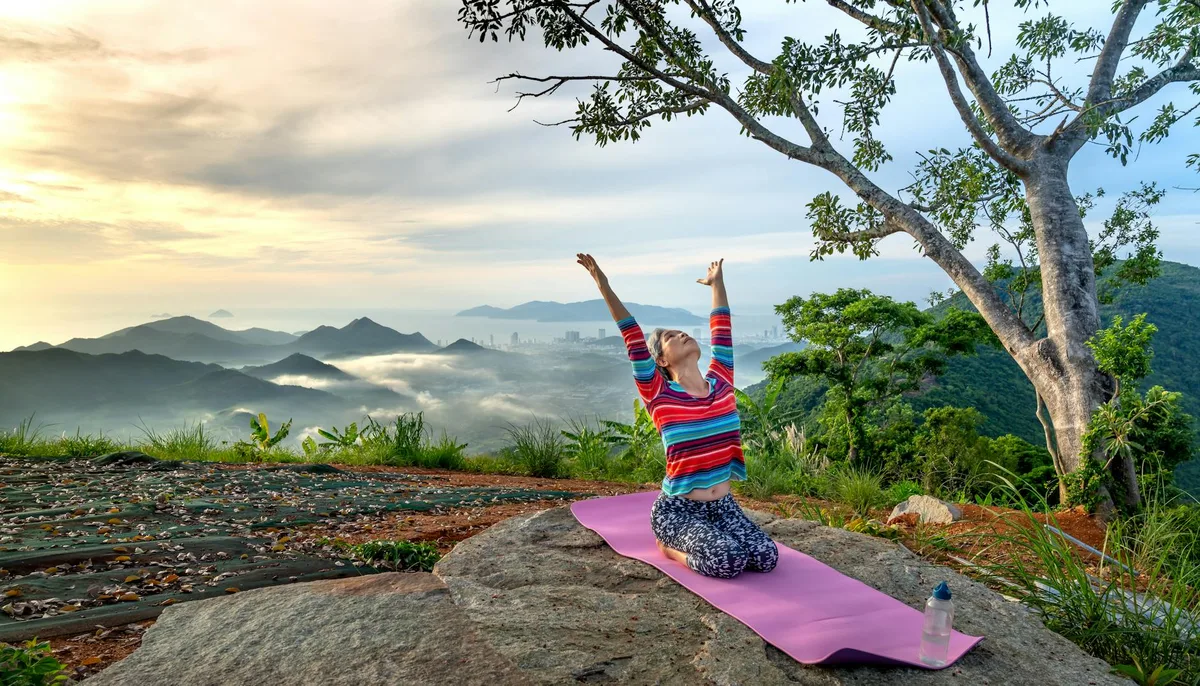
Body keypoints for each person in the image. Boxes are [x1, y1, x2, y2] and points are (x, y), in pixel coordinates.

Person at [577, 253, 779, 579]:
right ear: (661, 361)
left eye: (682, 332)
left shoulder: (721, 381)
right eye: (671, 337)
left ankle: (710, 539)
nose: (682, 335)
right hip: (679, 511)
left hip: (723, 506)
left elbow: (722, 327)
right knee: (728, 561)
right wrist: (603, 283)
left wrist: (717, 284)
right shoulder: (660, 394)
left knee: (766, 557)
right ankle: (667, 547)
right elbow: (632, 337)